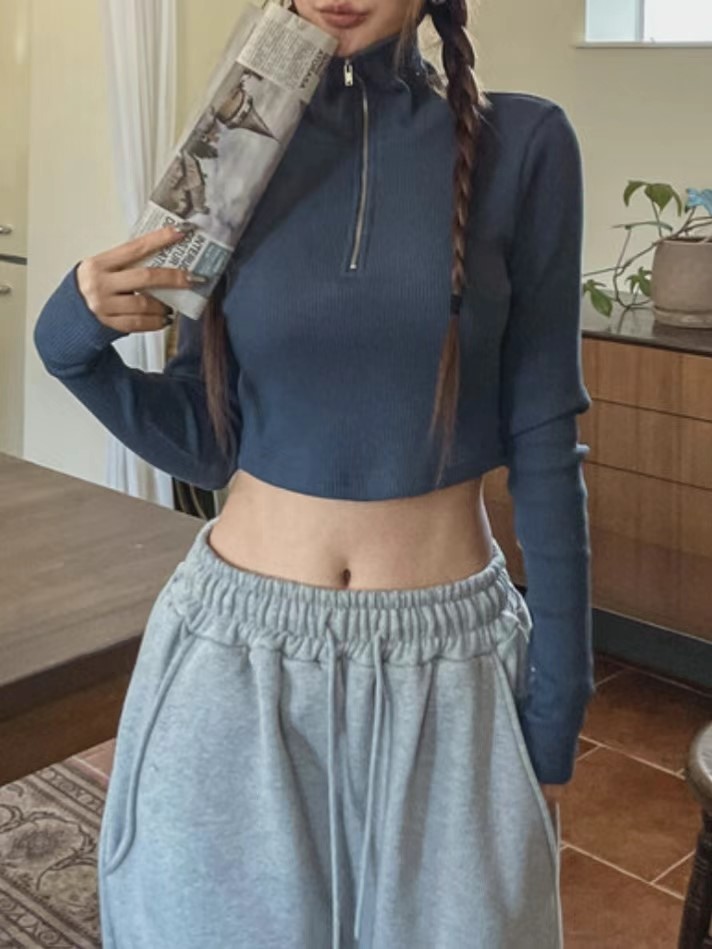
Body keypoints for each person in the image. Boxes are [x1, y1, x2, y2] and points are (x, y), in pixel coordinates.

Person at [32, 0, 595, 945]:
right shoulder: (233, 144)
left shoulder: (526, 146)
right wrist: (71, 347)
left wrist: (555, 712)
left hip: (448, 672)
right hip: (233, 661)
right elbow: (211, 441)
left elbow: (546, 442)